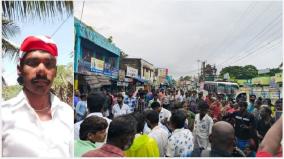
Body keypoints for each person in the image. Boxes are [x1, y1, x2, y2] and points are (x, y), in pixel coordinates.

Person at [2, 36, 73, 157]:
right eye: (33, 63)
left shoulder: (67, 112)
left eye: (49, 64)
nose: (41, 70)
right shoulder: (4, 114)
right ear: (19, 70)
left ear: (55, 71)